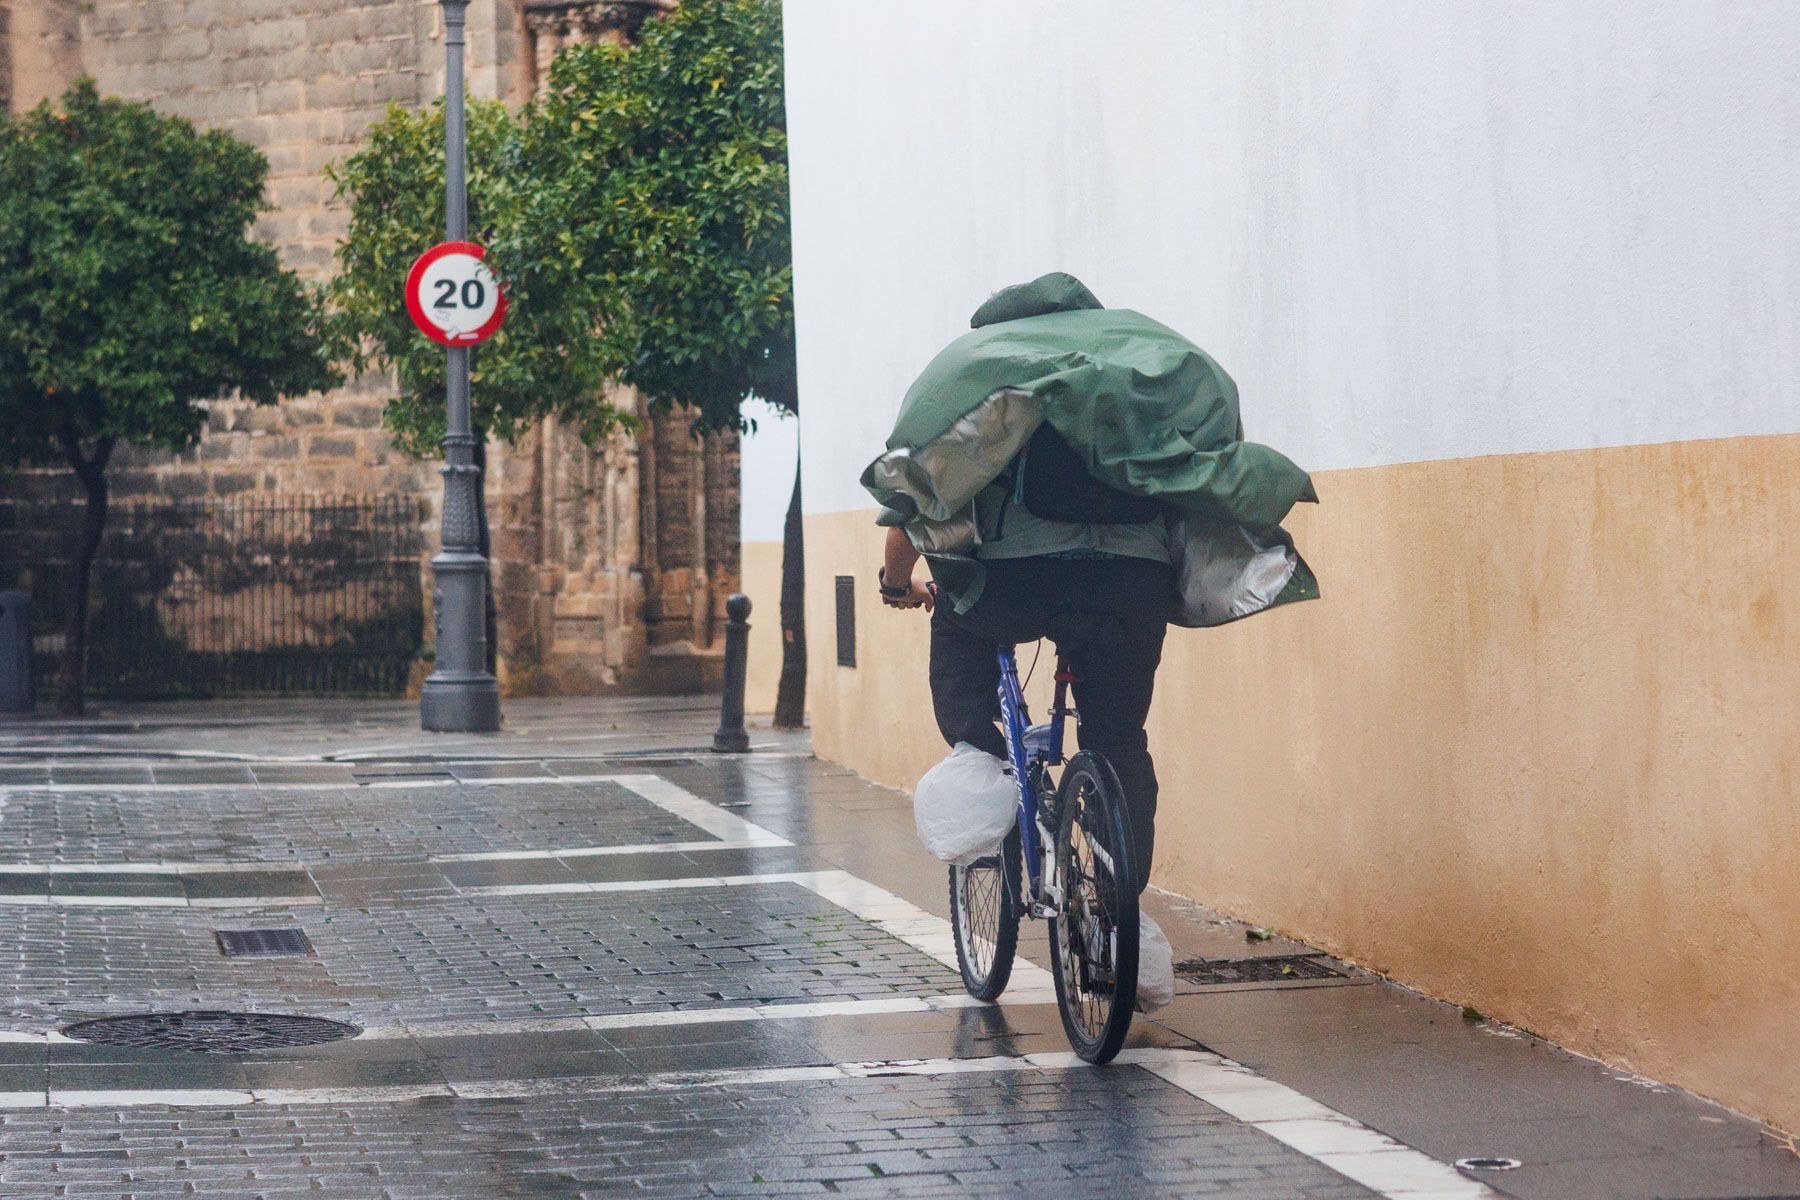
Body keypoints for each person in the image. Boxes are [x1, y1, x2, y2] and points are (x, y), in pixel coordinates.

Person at [877, 499, 1173, 894]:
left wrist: (895, 583)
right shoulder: (1147, 430)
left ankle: (982, 752)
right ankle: (1117, 910)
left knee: (952, 604)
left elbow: (915, 502)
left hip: (1017, 578)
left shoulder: (993, 431)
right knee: (1120, 741)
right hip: (1135, 577)